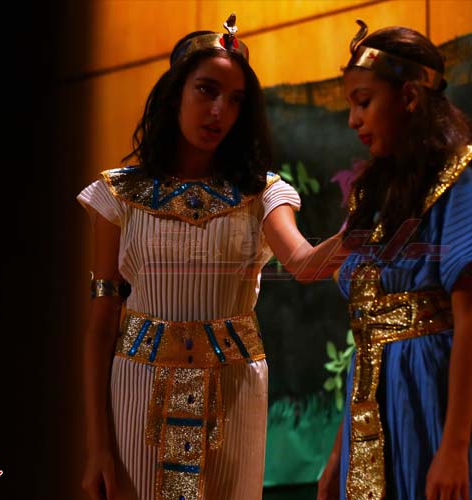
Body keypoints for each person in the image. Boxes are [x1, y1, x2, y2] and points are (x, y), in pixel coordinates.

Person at [77, 13, 350, 500]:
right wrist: (97, 448)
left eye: (235, 100)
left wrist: (361, 229)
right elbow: (102, 323)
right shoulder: (118, 196)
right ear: (175, 93)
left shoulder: (262, 193)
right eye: (207, 90)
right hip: (138, 388)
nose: (219, 111)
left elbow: (305, 264)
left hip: (234, 390)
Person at [317, 21, 472, 500]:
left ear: (407, 97)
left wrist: (454, 449)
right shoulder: (372, 199)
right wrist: (340, 452)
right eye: (350, 106)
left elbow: (470, 322)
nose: (353, 120)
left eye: (364, 102)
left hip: (428, 390)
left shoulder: (456, 184)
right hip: (370, 400)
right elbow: (367, 338)